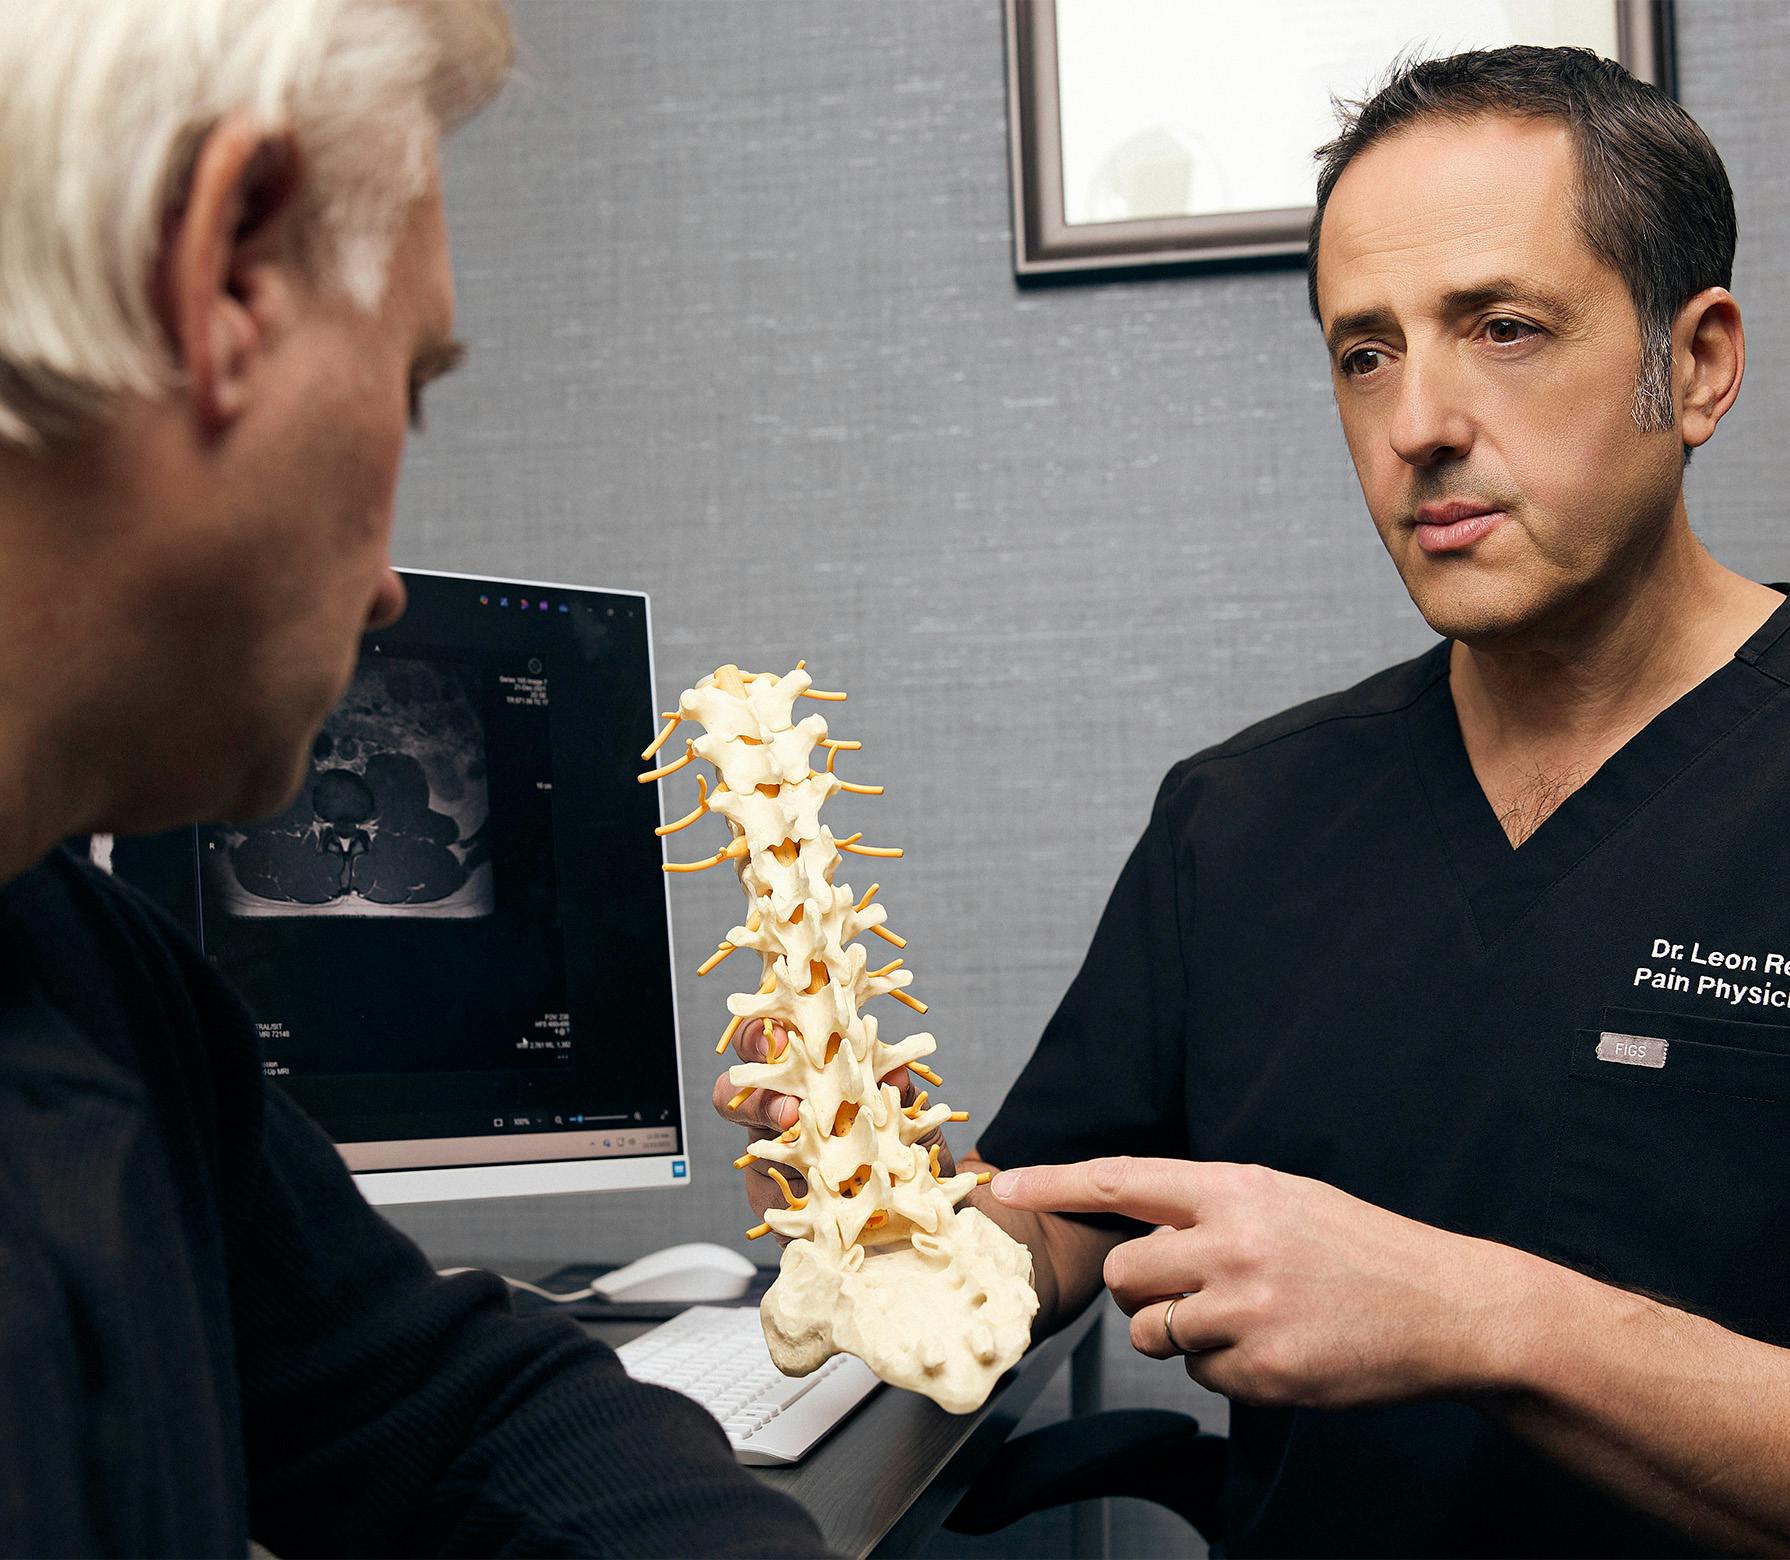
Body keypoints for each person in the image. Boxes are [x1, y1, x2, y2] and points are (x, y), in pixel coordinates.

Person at [722, 46, 1790, 1556]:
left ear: (1692, 364)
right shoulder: (1237, 823)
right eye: (1364, 352)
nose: (1418, 420)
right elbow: (1062, 1219)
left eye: (1502, 328)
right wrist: (897, 1216)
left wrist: (1484, 1317)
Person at [0, 3, 830, 1554]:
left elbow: (440, 1408)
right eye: (415, 381)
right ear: (226, 272)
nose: (392, 588)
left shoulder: (99, 976)